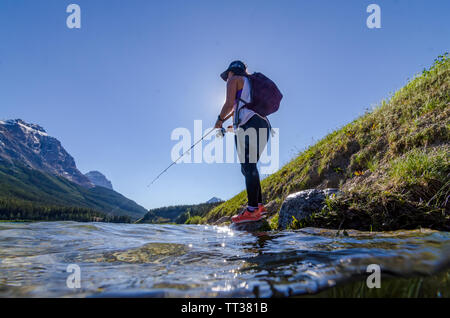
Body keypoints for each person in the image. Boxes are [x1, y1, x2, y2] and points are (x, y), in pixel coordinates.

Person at [215, 61, 270, 224]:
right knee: (249, 166)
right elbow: (237, 107)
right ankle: (259, 207)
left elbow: (228, 103)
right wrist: (229, 122)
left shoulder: (234, 79)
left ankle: (252, 210)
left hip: (250, 124)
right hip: (263, 124)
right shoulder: (249, 82)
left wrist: (218, 120)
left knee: (247, 165)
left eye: (227, 75)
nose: (227, 79)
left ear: (232, 72)